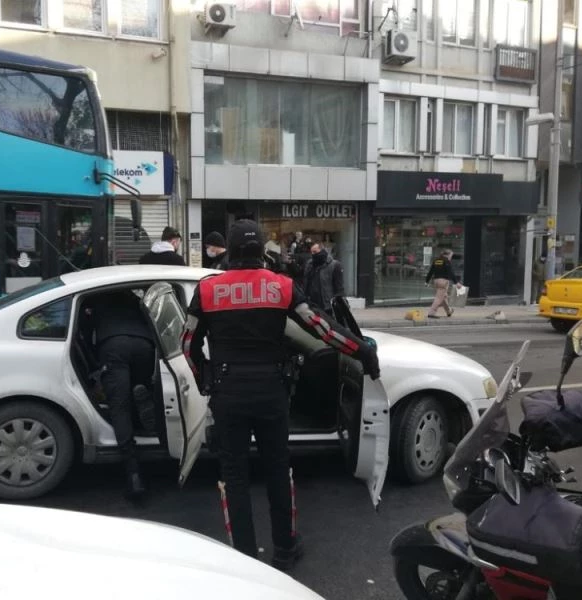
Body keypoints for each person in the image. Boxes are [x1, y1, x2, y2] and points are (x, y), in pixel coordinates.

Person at [181, 219, 380, 571]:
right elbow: (322, 328)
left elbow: (187, 345)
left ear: (229, 250)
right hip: (271, 392)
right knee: (276, 469)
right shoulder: (281, 286)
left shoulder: (208, 290)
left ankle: (244, 557)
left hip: (228, 393)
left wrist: (204, 380)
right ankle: (285, 548)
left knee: (235, 476)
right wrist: (362, 351)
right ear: (261, 249)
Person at [88, 290, 156, 500]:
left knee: (119, 405)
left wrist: (95, 366)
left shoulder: (97, 297)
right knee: (140, 388)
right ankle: (143, 407)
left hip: (113, 345)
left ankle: (133, 473)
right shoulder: (134, 297)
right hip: (144, 345)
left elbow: (85, 335)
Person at [303, 243, 345, 315]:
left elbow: (339, 287)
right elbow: (306, 281)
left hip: (327, 305)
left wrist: (337, 302)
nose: (313, 254)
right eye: (311, 252)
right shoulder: (309, 265)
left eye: (315, 252)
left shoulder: (335, 265)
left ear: (322, 250)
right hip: (312, 304)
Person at [425, 249, 462, 319]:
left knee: (443, 297)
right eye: (451, 255)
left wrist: (427, 281)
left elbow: (431, 271)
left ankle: (449, 311)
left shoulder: (436, 260)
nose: (451, 257)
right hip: (443, 282)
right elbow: (450, 272)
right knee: (439, 298)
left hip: (436, 281)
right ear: (447, 255)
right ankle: (431, 313)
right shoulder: (446, 261)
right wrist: (456, 282)